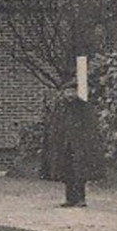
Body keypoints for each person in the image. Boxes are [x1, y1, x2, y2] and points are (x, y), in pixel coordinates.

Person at [41, 77, 103, 207]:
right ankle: (70, 198)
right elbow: (54, 126)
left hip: (79, 146)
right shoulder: (59, 108)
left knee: (80, 173)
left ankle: (81, 198)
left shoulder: (84, 107)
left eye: (72, 92)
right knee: (66, 172)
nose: (69, 94)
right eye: (67, 92)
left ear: (76, 92)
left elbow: (91, 127)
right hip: (64, 146)